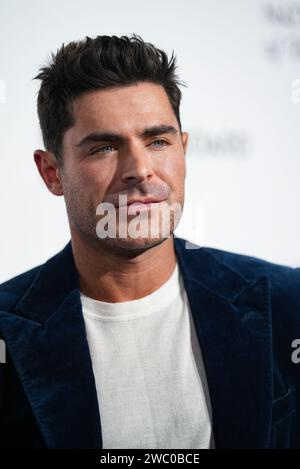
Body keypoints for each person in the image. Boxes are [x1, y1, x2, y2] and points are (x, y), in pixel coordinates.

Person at [0, 34, 299, 449]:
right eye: (105, 147)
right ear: (52, 173)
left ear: (184, 150)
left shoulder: (289, 303)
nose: (140, 170)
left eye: (158, 141)